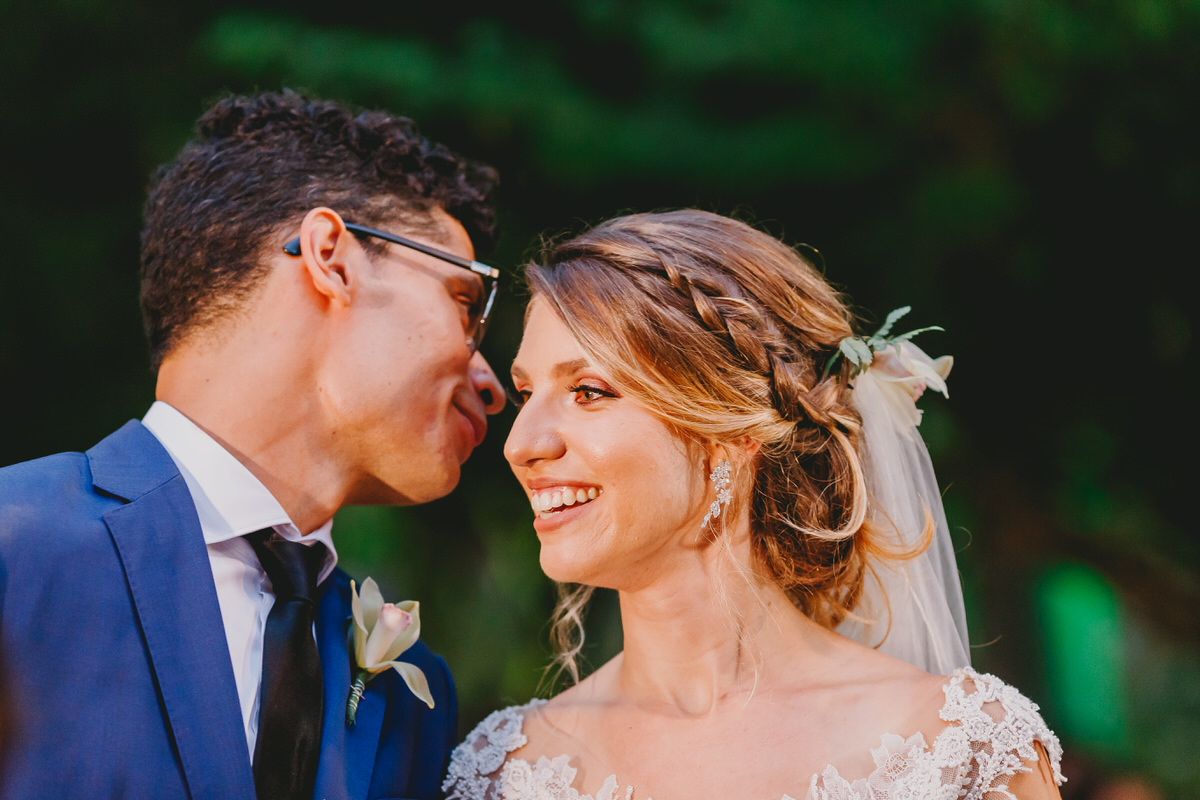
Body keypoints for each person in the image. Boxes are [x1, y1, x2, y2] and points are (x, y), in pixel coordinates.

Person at [443, 210, 1065, 800]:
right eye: (526, 393)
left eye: (588, 391)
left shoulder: (959, 751)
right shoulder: (504, 772)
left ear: (732, 435)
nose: (521, 445)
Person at [0, 90, 506, 799]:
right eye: (464, 303)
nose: (490, 383)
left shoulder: (416, 693)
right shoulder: (14, 546)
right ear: (332, 257)